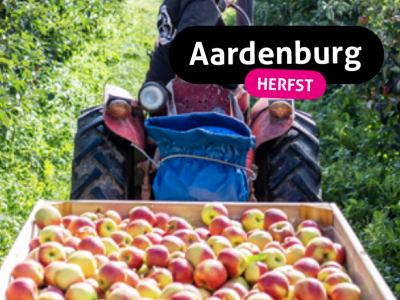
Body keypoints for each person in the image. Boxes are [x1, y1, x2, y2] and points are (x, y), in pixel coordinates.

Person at [145, 0, 239, 92]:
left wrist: (220, 3)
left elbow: (190, 11)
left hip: (160, 70)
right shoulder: (204, 3)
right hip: (178, 86)